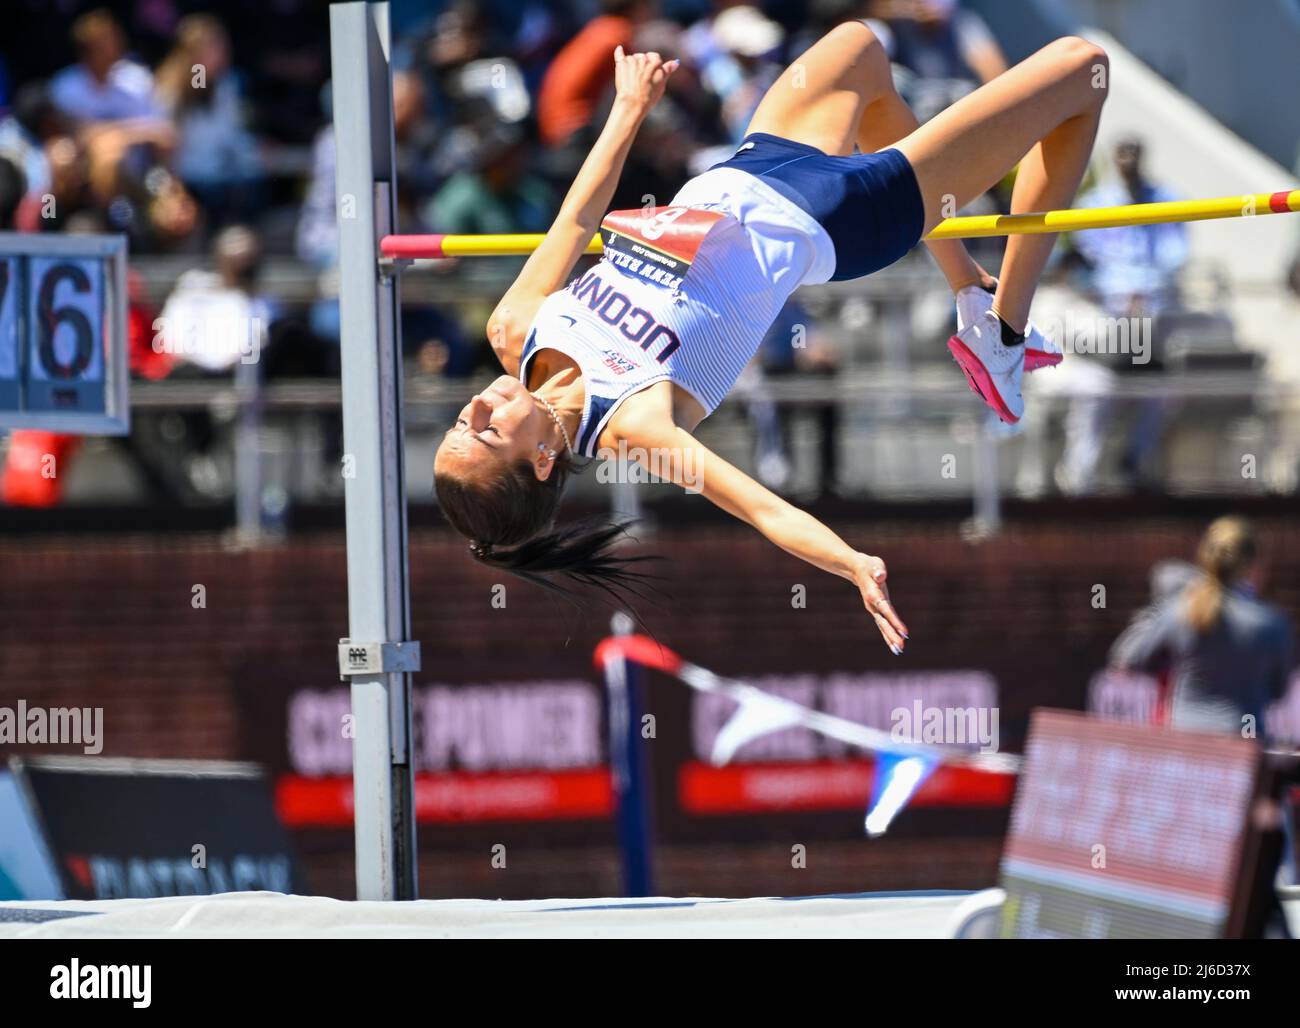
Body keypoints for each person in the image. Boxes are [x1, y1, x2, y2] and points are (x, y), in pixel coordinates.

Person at [434, 24, 1108, 651]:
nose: (479, 407)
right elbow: (761, 510)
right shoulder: (633, 423)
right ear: (543, 461)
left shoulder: (513, 327)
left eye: (462, 420)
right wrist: (850, 562)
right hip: (843, 216)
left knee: (859, 46)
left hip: (752, 166)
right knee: (1085, 69)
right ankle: (1006, 332)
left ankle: (967, 287)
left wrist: (629, 107)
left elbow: (578, 216)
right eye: (487, 431)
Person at [1111, 517, 1294, 739]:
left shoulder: (1179, 611)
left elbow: (1128, 658)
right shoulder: (1270, 622)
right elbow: (1279, 689)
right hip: (1243, 739)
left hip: (1187, 740)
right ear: (1254, 566)